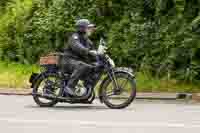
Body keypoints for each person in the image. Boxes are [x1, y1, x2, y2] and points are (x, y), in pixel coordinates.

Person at [62, 19, 99, 96]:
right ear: (82, 28)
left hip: (76, 61)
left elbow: (93, 51)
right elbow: (78, 47)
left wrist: (99, 56)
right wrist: (88, 51)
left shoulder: (87, 40)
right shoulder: (74, 37)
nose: (91, 30)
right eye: (88, 28)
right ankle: (69, 87)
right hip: (68, 61)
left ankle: (86, 90)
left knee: (92, 67)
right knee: (82, 65)